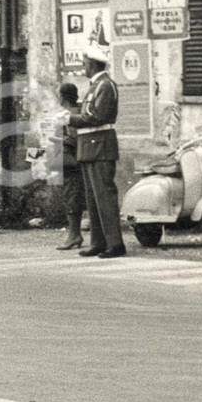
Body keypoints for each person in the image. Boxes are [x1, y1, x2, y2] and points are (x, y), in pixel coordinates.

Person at [60, 45, 125, 259]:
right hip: (90, 146)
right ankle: (98, 242)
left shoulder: (105, 86)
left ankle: (115, 243)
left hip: (100, 145)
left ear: (91, 64)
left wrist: (69, 118)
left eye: (84, 63)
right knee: (93, 198)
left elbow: (96, 117)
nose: (83, 67)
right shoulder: (96, 85)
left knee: (104, 197)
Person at [51, 83, 86, 250]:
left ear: (63, 97)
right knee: (74, 195)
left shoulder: (68, 115)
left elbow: (73, 139)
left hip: (70, 160)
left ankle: (74, 235)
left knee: (71, 196)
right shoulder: (79, 111)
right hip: (75, 159)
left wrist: (57, 140)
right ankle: (75, 234)